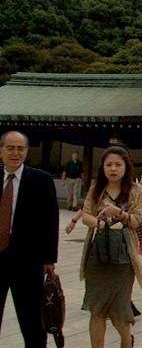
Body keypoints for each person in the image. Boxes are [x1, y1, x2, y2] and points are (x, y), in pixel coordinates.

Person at [80, 146, 142, 348]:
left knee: (120, 311)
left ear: (126, 167)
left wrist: (118, 213)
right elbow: (85, 215)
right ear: (103, 167)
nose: (113, 169)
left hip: (124, 257)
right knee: (97, 309)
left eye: (118, 164)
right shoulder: (96, 189)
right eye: (109, 164)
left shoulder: (136, 191)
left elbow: (136, 221)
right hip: (97, 255)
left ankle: (127, 342)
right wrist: (99, 223)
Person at [0, 130, 59, 348]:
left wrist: (49, 259)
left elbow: (51, 221)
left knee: (33, 322)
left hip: (27, 261)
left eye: (20, 148)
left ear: (26, 151)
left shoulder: (41, 180)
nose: (15, 153)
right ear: (1, 151)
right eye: (10, 148)